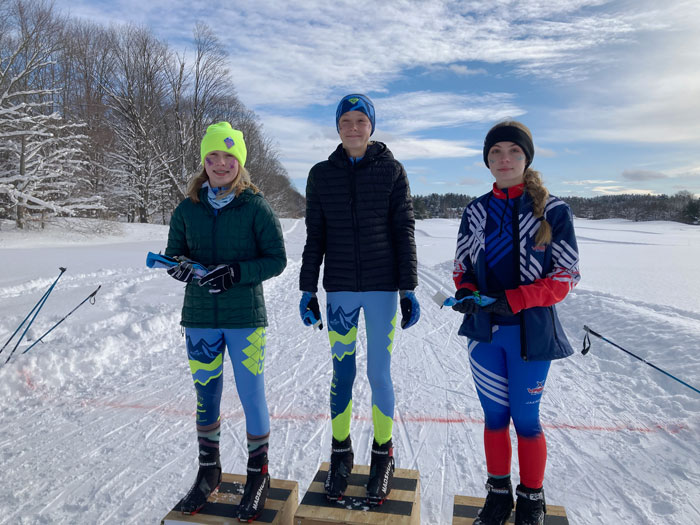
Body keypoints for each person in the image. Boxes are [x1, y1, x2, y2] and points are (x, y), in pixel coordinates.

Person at [451, 121, 580, 525]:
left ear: (526, 158)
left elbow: (566, 275)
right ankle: (497, 493)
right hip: (484, 334)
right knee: (494, 418)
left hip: (531, 334)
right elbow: (461, 265)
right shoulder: (475, 211)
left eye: (514, 152)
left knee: (526, 420)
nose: (504, 159)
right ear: (487, 160)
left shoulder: (554, 210)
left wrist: (516, 299)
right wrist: (466, 290)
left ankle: (532, 498)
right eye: (496, 153)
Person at [299, 94, 420, 505]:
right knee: (343, 373)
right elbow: (315, 235)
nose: (353, 127)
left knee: (379, 374)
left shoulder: (391, 171)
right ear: (337, 127)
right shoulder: (321, 174)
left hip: (382, 289)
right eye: (346, 121)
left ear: (371, 126)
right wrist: (306, 288)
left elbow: (404, 229)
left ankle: (382, 457)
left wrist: (408, 288)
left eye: (360, 120)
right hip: (341, 291)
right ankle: (340, 454)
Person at [165, 122, 286, 521]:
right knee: (206, 396)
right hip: (199, 317)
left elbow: (276, 259)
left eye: (228, 156)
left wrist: (236, 272)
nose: (220, 163)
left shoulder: (255, 206)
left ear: (240, 162)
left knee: (252, 395)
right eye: (213, 156)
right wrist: (179, 267)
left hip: (244, 318)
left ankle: (258, 474)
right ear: (203, 161)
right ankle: (208, 472)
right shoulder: (187, 207)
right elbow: (174, 254)